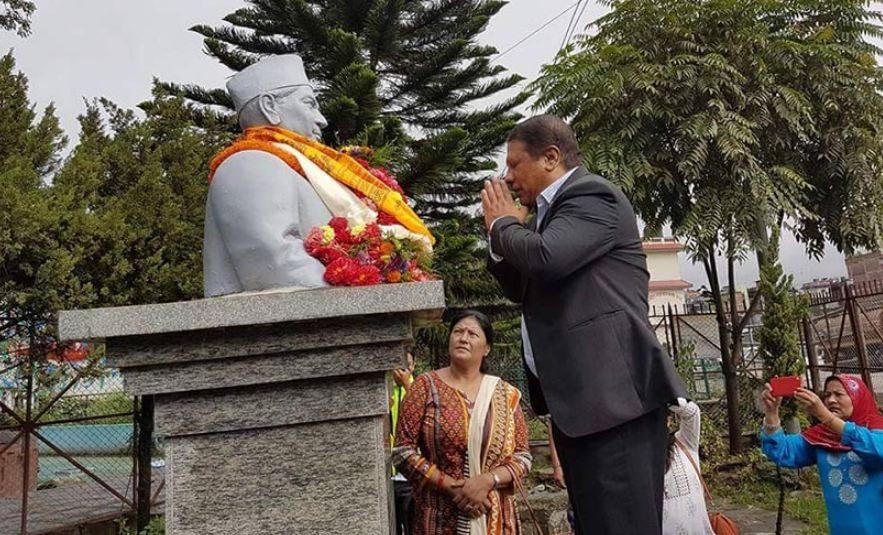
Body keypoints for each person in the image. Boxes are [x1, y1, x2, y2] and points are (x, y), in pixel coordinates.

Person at [481, 114, 685, 534]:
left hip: (613, 402)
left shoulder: (592, 195)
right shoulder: (547, 217)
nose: (508, 177)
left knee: (624, 525)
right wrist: (501, 237)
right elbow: (521, 285)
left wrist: (503, 224)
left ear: (550, 157)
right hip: (581, 406)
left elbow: (546, 259)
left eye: (515, 164)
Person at [204, 53, 433, 297]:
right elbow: (274, 262)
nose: (322, 120)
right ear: (269, 107)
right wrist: (371, 295)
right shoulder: (249, 163)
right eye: (309, 104)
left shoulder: (294, 169)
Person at [393, 310, 532, 535]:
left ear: (487, 348)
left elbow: (522, 457)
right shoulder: (425, 387)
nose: (463, 338)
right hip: (438, 517)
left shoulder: (506, 394)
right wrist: (453, 487)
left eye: (472, 334)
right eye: (458, 332)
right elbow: (402, 451)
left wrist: (487, 481)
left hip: (494, 517)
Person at [761, 375, 883, 534]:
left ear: (857, 397)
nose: (831, 400)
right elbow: (782, 451)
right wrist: (771, 413)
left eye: (838, 394)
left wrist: (827, 417)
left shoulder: (877, 430)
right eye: (827, 395)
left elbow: (877, 450)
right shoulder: (821, 437)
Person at [663, 398, 714, 535]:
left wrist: (665, 397)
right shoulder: (640, 455)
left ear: (668, 421)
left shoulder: (684, 441)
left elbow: (692, 413)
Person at [391, 352, 416, 535]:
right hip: (389, 475)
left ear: (413, 366)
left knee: (412, 526)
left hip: (411, 476)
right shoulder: (385, 390)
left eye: (406, 365)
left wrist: (408, 386)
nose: (402, 370)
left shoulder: (419, 390)